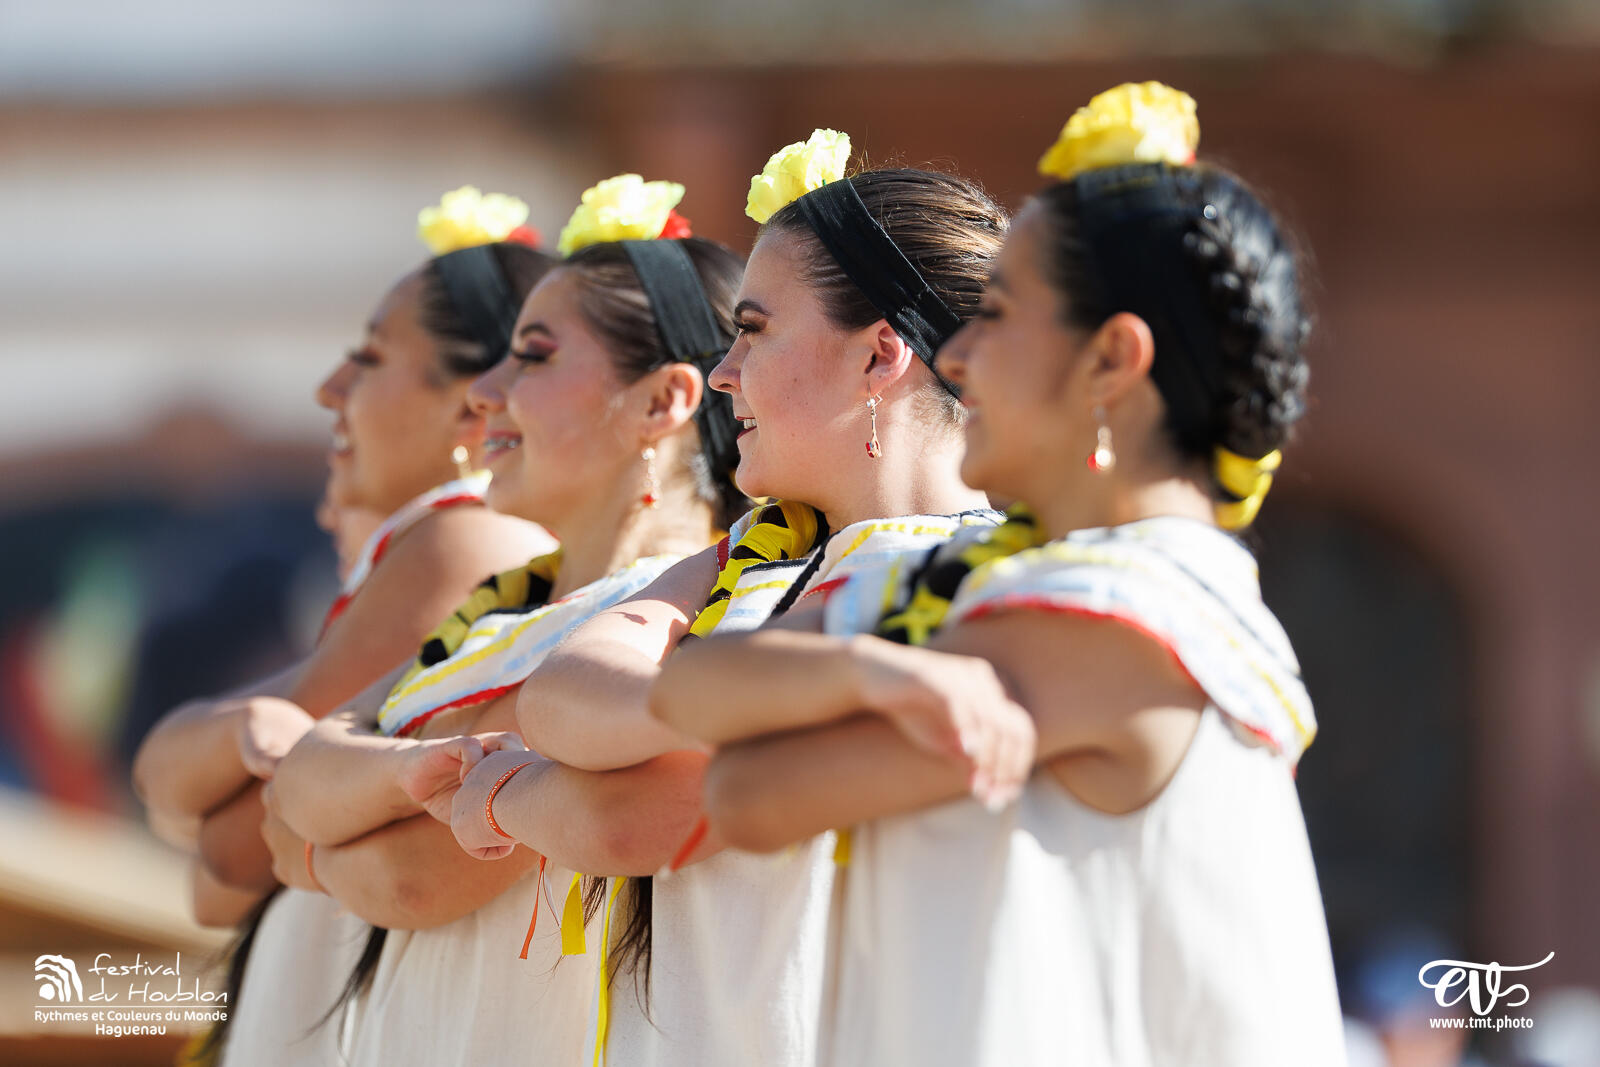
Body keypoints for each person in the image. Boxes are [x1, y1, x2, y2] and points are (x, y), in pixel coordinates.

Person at [653, 83, 1347, 1066]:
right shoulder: (996, 575)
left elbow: (750, 791)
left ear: (1110, 359)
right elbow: (689, 683)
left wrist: (840, 670)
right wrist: (873, 674)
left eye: (1003, 314)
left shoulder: (1122, 610)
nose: (962, 353)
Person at [420, 131, 1009, 1066]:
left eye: (755, 329)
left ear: (879, 357)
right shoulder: (759, 555)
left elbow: (628, 818)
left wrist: (510, 795)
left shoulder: (988, 582)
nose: (726, 372)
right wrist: (738, 701)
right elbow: (567, 690)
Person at [266, 174, 748, 1067]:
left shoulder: (671, 616)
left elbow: (413, 874)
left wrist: (330, 826)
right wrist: (412, 772)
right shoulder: (501, 613)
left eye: (531, 354)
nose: (485, 390)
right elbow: (292, 785)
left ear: (662, 402)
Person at [134, 185, 557, 1065]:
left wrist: (225, 749)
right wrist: (234, 745)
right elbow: (210, 827)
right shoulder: (434, 544)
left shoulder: (465, 539)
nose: (330, 389)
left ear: (469, 409)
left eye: (367, 358)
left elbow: (230, 847)